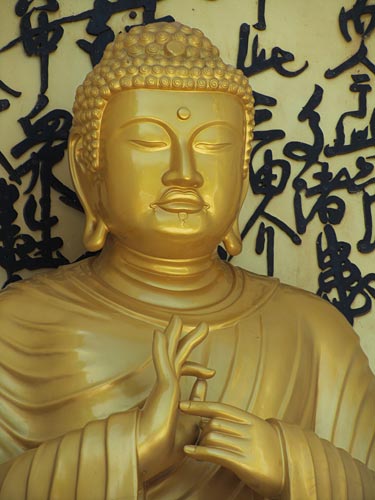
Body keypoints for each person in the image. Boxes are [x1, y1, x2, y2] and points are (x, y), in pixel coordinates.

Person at [0, 21, 374, 499]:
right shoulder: (19, 328)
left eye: (212, 144)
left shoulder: (316, 335)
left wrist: (292, 465)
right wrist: (130, 449)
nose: (184, 173)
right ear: (86, 167)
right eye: (149, 142)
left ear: (243, 171)